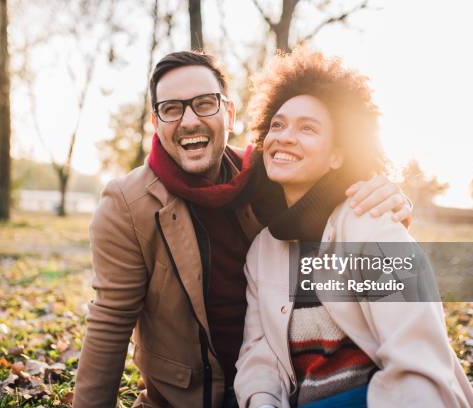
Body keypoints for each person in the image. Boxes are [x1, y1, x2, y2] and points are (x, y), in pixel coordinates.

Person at [72, 50, 413, 408]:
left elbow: (337, 191)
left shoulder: (266, 175)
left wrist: (394, 200)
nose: (188, 121)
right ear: (156, 121)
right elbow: (110, 321)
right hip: (193, 397)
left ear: (229, 114)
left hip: (285, 379)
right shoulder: (127, 203)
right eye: (171, 108)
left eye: (204, 103)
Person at [234, 49, 473, 408]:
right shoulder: (263, 250)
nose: (284, 136)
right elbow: (260, 354)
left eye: (308, 128)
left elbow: (417, 357)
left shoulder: (374, 222)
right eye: (277, 124)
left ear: (337, 155)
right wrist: (261, 401)